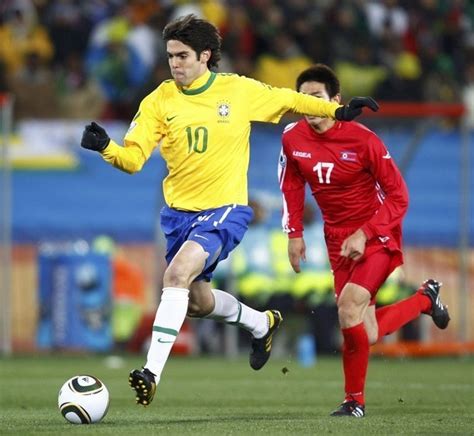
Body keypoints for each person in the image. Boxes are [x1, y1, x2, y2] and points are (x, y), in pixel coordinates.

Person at [80, 15, 377, 407]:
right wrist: (106, 148)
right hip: (179, 216)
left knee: (175, 274)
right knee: (197, 301)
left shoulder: (237, 91)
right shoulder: (158, 101)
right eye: (170, 56)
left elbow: (288, 99)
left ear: (205, 56)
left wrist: (337, 112)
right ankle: (261, 323)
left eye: (182, 56)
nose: (174, 64)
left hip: (226, 209)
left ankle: (151, 372)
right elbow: (133, 159)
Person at [278, 63, 450, 418]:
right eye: (303, 99)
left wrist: (367, 232)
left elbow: (399, 196)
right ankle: (423, 300)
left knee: (348, 306)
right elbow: (292, 184)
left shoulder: (364, 140)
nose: (310, 106)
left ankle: (354, 401)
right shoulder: (292, 138)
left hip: (377, 233)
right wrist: (294, 234)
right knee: (364, 332)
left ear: (334, 100)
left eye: (317, 98)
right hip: (337, 239)